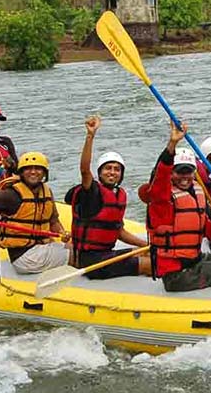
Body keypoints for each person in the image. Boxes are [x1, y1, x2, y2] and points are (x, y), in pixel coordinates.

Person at [145, 122, 211, 292]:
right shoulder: (162, 199)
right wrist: (172, 143)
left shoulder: (197, 192)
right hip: (177, 274)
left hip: (195, 259)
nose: (184, 177)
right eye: (179, 171)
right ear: (171, 173)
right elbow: (161, 174)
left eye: (189, 171)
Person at [64, 115, 150, 279]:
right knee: (150, 265)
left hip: (106, 255)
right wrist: (90, 136)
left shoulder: (119, 195)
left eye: (117, 169)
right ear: (100, 172)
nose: (112, 172)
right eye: (108, 168)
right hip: (91, 261)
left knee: (149, 254)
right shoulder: (92, 192)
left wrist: (146, 245)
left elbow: (119, 232)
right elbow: (84, 170)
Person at [0, 151, 70, 274]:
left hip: (41, 248)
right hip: (24, 257)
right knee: (79, 255)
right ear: (21, 172)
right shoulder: (11, 195)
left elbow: (53, 221)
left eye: (38, 169)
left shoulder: (46, 192)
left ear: (44, 173)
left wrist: (63, 233)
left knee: (74, 247)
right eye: (28, 169)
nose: (33, 172)